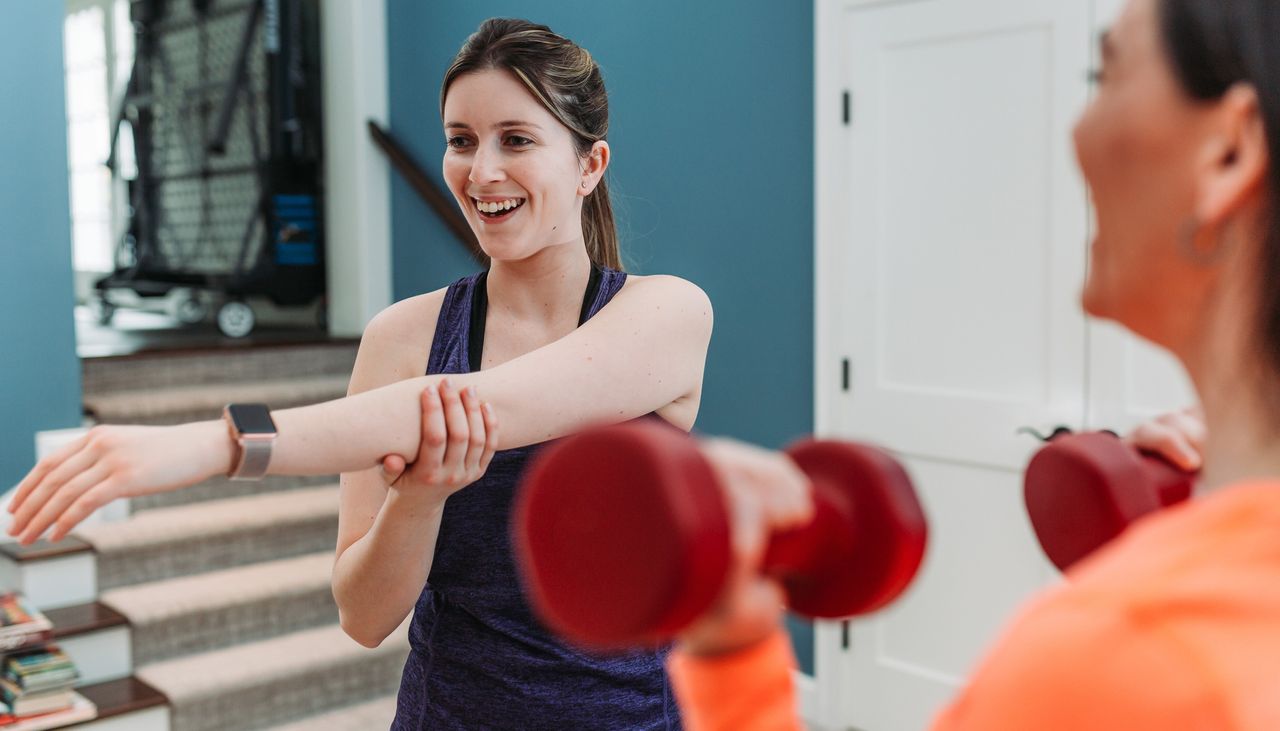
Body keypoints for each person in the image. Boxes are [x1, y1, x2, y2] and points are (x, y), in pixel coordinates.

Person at [10, 18, 710, 730]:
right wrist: (419, 499)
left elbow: (484, 402)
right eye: (460, 139)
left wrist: (209, 444)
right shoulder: (401, 338)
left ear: (590, 165)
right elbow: (364, 617)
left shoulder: (667, 315)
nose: (482, 170)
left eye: (517, 138)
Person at [660, 0, 1280, 728]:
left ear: (1229, 151)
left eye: (1105, 71)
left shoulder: (1128, 655)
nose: (1077, 129)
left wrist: (731, 657)